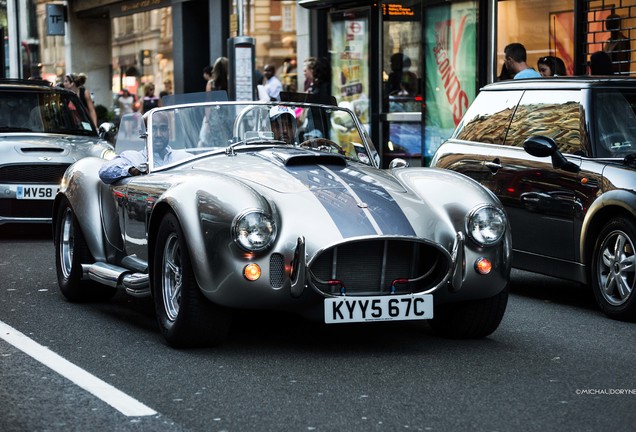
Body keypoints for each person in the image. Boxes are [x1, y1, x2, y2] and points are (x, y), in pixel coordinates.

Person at [99, 111, 185, 184]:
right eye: (153, 129)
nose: (159, 134)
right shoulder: (133, 158)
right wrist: (132, 171)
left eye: (163, 128)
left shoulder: (183, 158)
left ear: (168, 131)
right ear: (142, 133)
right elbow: (104, 172)